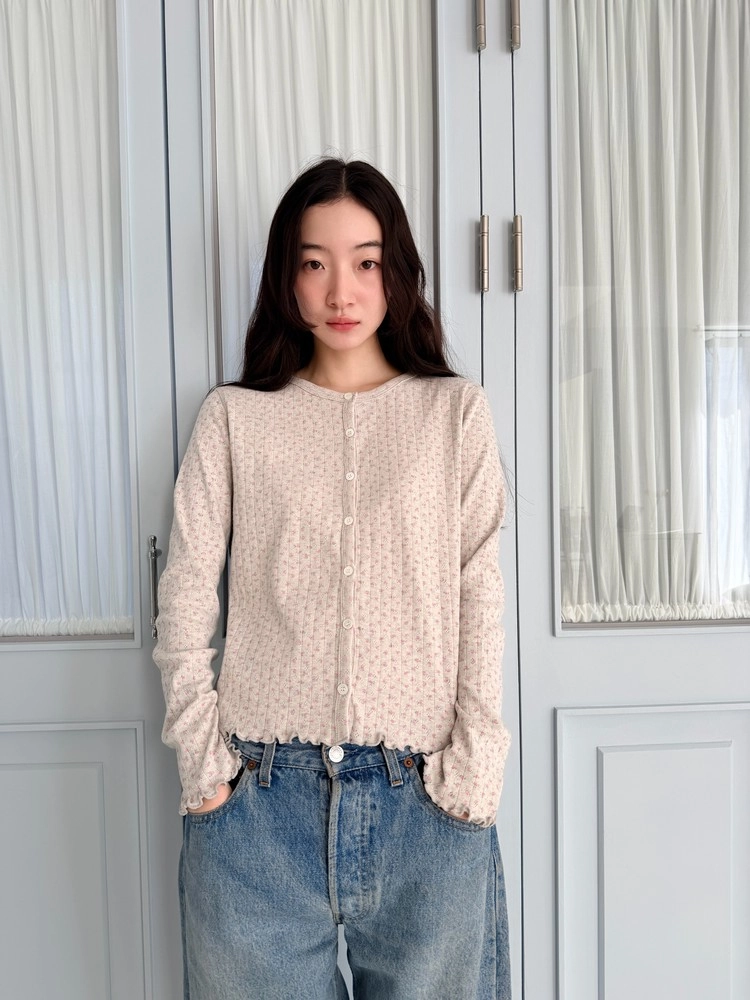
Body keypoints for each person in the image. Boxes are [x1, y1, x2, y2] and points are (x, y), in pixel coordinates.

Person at [153, 157, 512, 1000]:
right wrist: (204, 767)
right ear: (287, 275)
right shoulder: (235, 420)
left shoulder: (453, 414)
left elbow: (481, 595)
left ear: (397, 272)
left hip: (426, 801)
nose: (340, 290)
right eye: (314, 263)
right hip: (255, 810)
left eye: (366, 261)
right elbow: (185, 594)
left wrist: (474, 771)